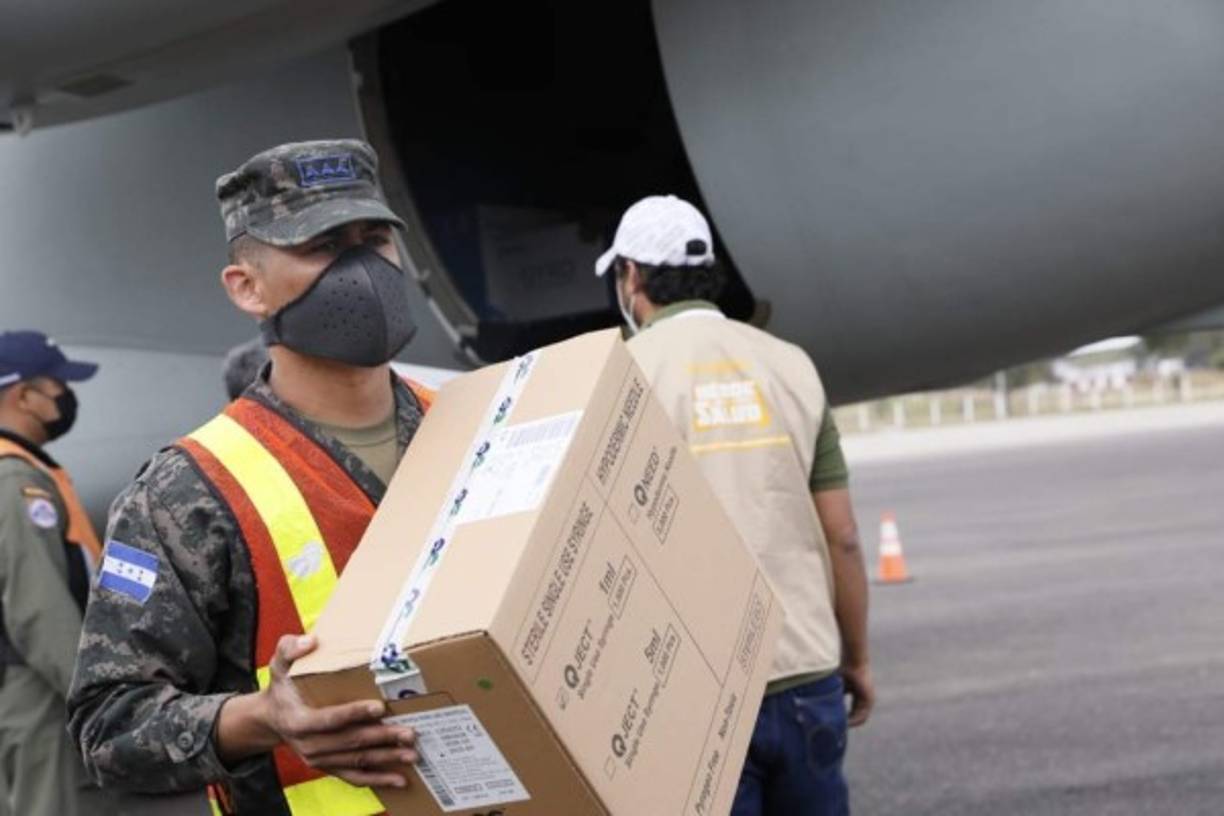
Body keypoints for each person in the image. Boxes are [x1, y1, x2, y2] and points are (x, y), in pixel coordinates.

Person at [68, 140, 436, 816]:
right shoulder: (186, 493)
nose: (362, 270)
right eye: (324, 246)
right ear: (247, 287)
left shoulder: (477, 424)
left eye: (374, 239)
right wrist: (261, 717)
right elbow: (109, 727)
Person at [596, 196, 874, 816]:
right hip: (807, 673)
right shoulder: (790, 365)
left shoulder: (621, 375)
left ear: (633, 276)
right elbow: (845, 536)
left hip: (692, 690)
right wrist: (854, 657)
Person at [0, 330, 114, 815]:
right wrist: (94, 697)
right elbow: (38, 608)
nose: (67, 398)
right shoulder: (17, 481)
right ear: (24, 395)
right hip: (35, 687)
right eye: (58, 386)